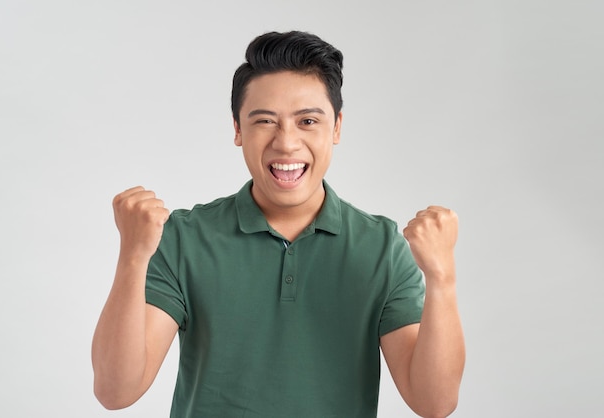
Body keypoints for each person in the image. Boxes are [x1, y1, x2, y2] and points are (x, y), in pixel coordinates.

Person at [92, 30, 465, 418]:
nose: (287, 143)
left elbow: (433, 403)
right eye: (266, 121)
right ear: (238, 129)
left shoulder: (380, 247)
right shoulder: (186, 237)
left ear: (336, 128)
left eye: (307, 121)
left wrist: (443, 279)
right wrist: (133, 258)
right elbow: (115, 391)